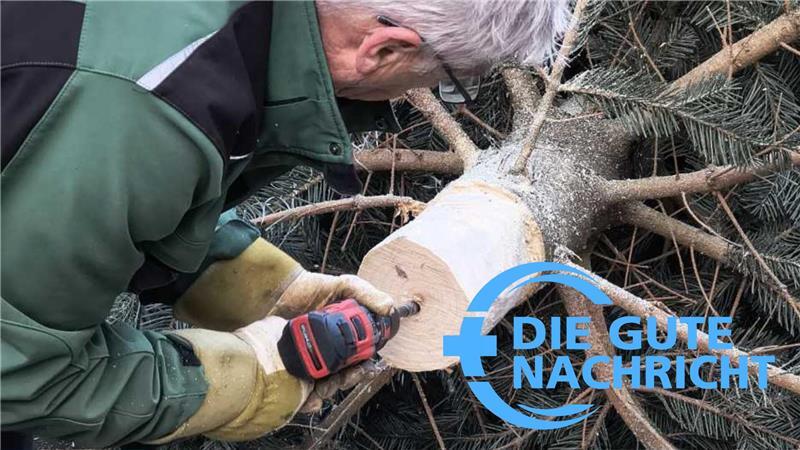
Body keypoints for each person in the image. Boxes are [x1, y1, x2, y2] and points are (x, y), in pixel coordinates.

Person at [0, 0, 568, 446]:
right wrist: (239, 385)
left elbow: (66, 184)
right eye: (445, 79)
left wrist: (258, 285)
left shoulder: (218, 43)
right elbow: (17, 374)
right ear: (384, 48)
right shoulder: (143, 108)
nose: (422, 92)